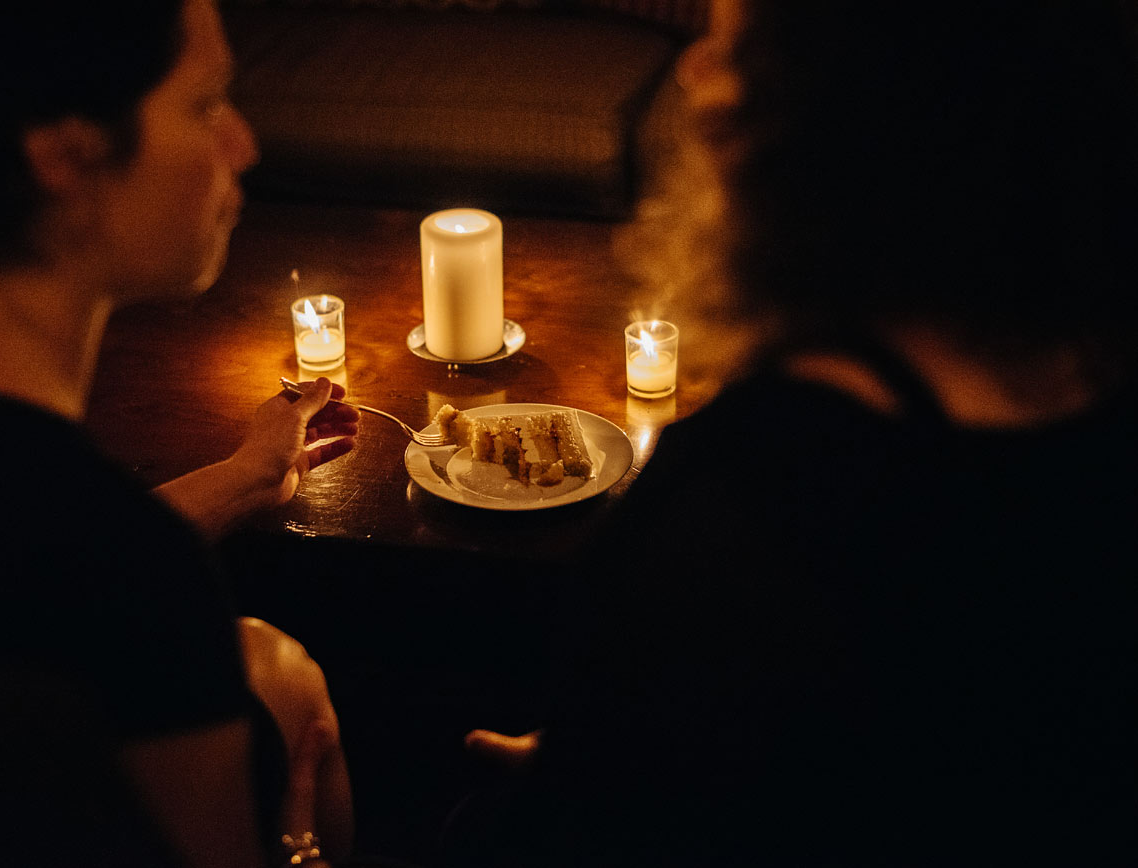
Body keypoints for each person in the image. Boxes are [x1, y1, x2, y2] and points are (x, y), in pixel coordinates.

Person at [451, 1, 1138, 865]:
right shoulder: (1095, 387)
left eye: (732, 51)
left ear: (833, 124)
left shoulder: (757, 498)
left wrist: (591, 769)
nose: (694, 77)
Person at [0, 1, 363, 866]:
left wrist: (241, 476)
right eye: (204, 105)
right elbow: (90, 574)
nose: (245, 144)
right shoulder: (137, 578)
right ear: (62, 154)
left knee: (275, 664)